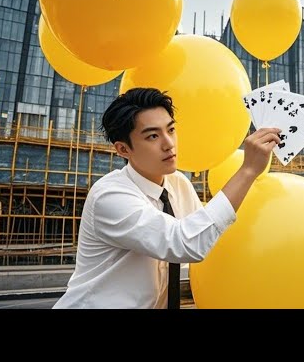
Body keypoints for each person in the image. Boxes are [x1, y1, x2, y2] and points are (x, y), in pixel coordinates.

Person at [53, 87, 280, 309]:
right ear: (123, 149)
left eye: (170, 130)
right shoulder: (110, 196)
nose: (169, 144)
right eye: (153, 136)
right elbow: (184, 243)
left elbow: (208, 231)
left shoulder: (178, 184)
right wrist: (248, 170)